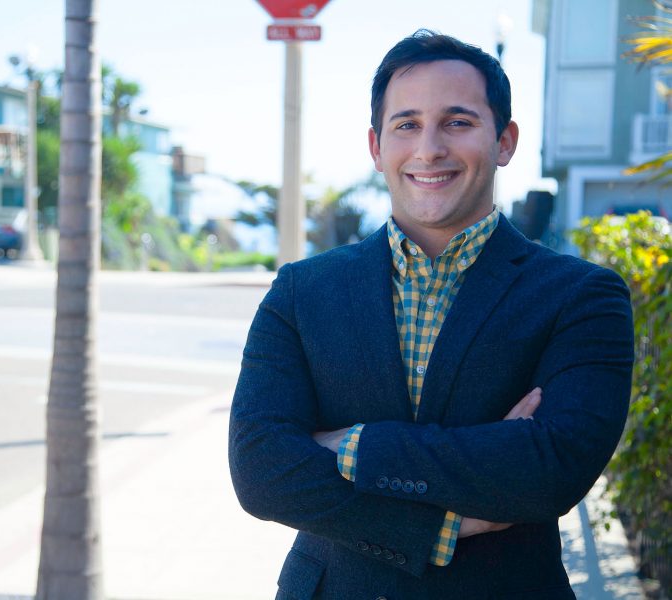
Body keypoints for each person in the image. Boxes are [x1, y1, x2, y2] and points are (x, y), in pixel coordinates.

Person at [228, 30, 633, 599]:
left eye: (458, 122)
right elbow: (260, 471)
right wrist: (442, 524)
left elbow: (549, 471)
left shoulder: (582, 296)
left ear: (505, 141)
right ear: (376, 146)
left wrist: (349, 444)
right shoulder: (302, 290)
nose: (429, 149)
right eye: (407, 124)